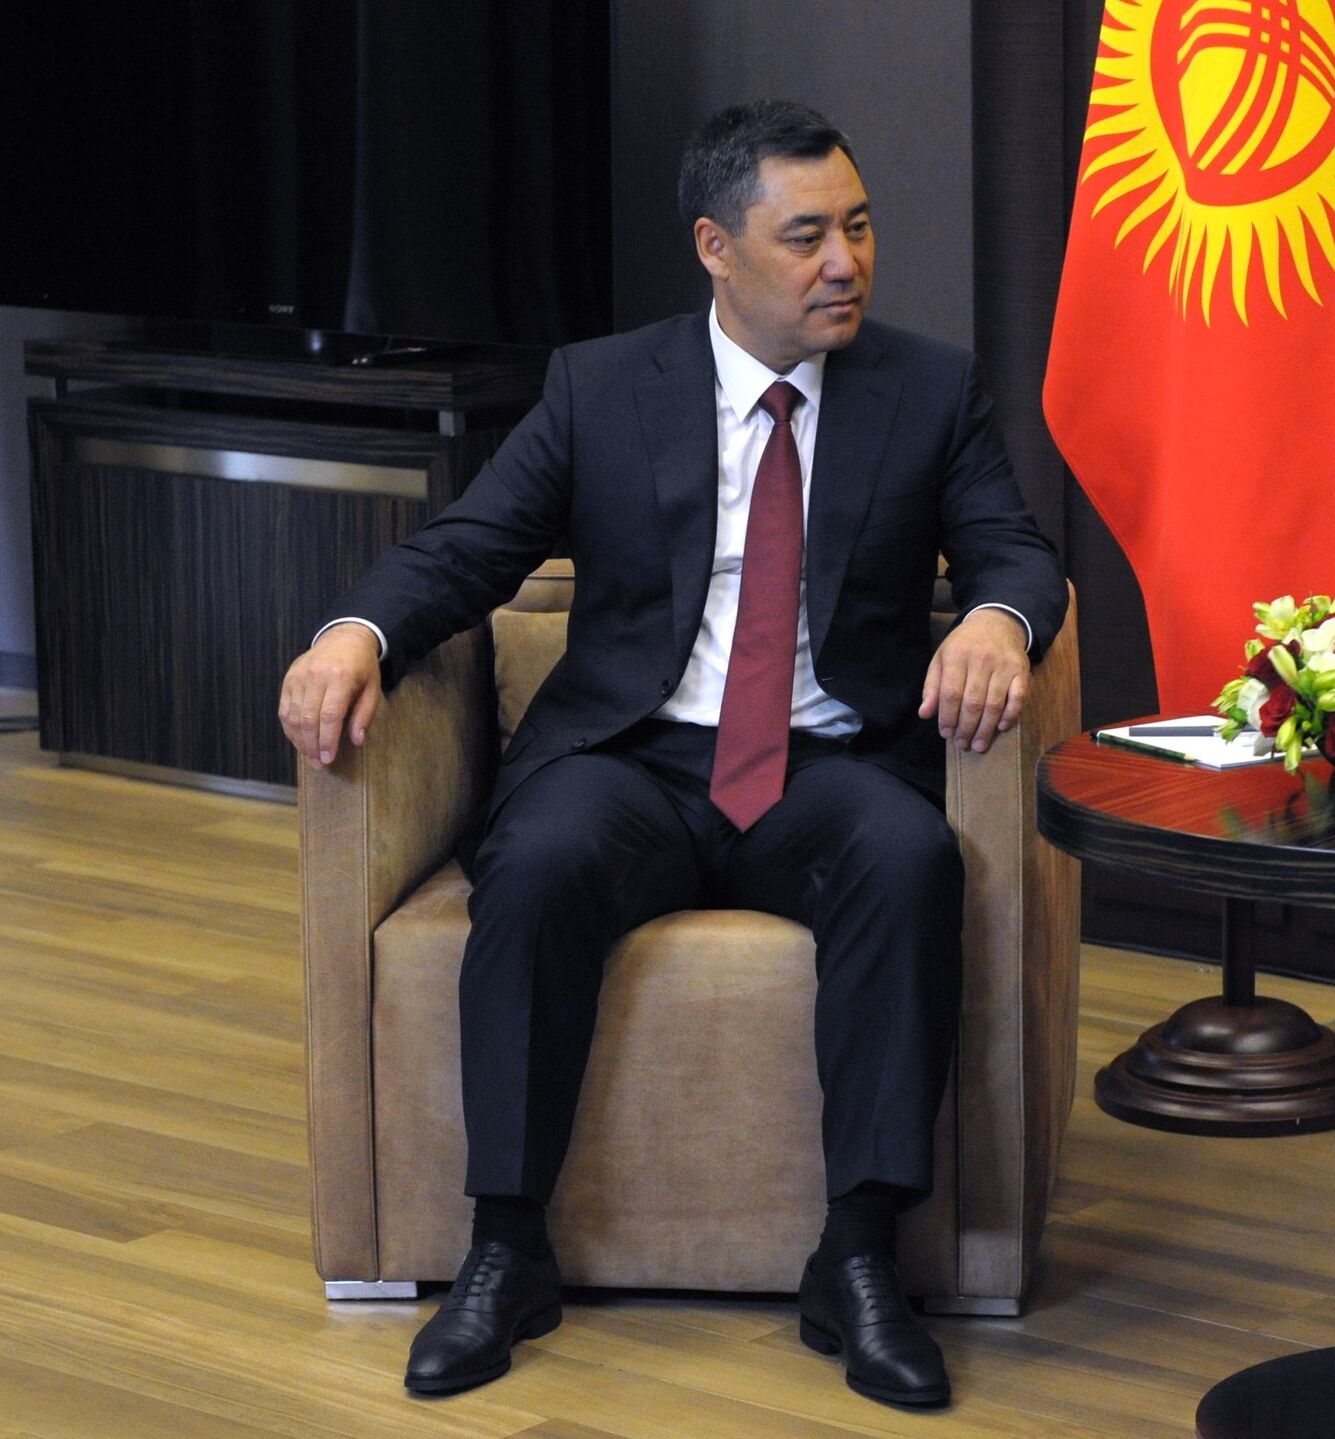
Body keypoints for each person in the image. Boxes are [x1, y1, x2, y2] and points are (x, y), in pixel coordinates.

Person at [277, 100, 1067, 1409]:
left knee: (910, 860)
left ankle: (859, 1257)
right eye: (806, 237)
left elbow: (1014, 552)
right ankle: (505, 1248)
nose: (846, 263)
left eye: (860, 228)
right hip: (633, 758)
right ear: (716, 247)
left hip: (829, 767)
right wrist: (353, 635)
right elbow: (472, 548)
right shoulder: (601, 386)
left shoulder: (929, 389)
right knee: (537, 864)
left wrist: (994, 617)